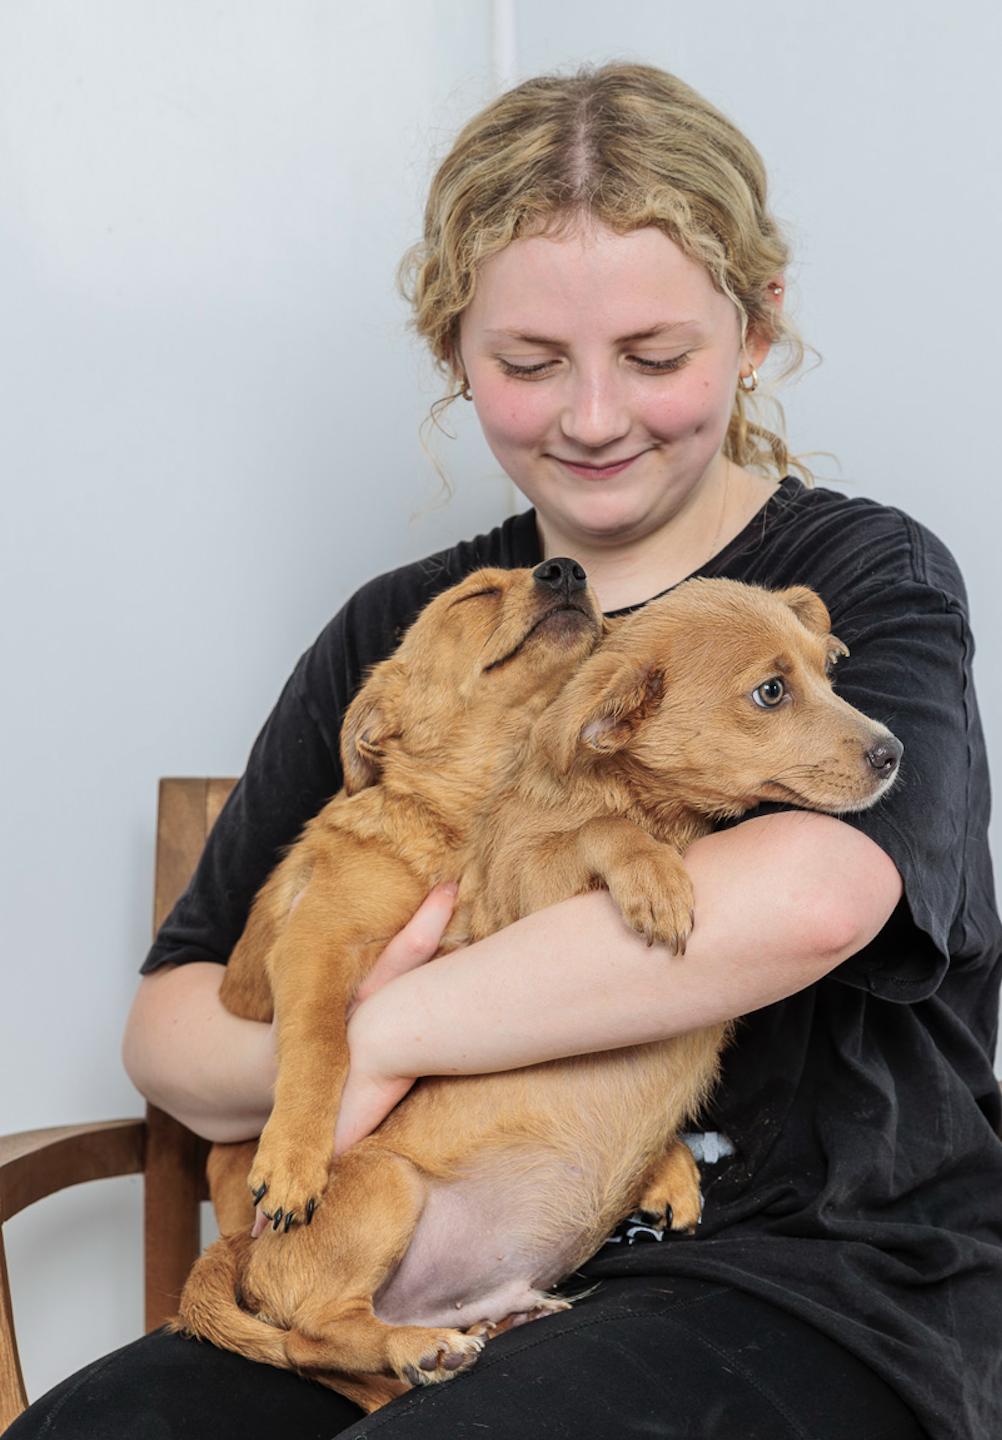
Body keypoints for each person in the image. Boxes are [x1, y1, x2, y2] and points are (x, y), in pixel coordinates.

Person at [9, 61, 1000, 1440]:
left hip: (807, 1269)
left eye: (654, 357)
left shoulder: (854, 575)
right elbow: (174, 1029)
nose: (592, 416)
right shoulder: (411, 637)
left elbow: (812, 895)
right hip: (421, 1246)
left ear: (757, 326)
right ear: (450, 349)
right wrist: (317, 1063)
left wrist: (369, 1031)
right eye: (529, 363)